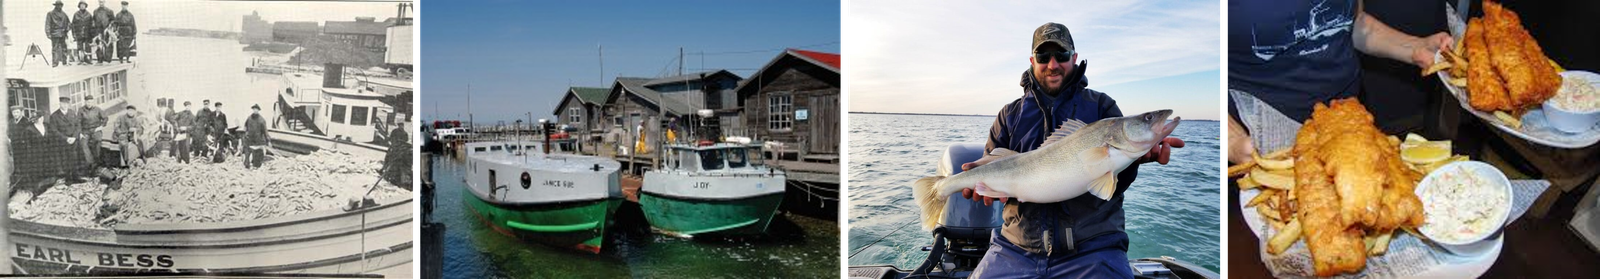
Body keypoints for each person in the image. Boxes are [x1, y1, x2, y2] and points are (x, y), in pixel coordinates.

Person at [957, 23, 1185, 278]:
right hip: (1015, 247)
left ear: (1074, 58)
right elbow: (991, 163)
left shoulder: (1102, 106)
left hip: (1094, 249)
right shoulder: (1009, 115)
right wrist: (982, 186)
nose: (1053, 64)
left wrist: (1134, 161)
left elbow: (1111, 187)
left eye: (1062, 55)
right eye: (1044, 57)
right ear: (1032, 61)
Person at [1222, 0, 1452, 165]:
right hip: (1264, 140)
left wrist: (1414, 47)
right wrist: (1230, 141)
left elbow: (1352, 22)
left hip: (1348, 117)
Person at [46, 97, 84, 183]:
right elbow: (54, 130)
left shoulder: (72, 112)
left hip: (74, 140)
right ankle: (68, 179)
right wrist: (66, 138)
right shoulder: (54, 116)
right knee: (66, 160)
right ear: (59, 104)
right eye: (63, 103)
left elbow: (78, 125)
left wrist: (74, 137)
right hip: (63, 142)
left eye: (66, 103)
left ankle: (76, 177)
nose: (65, 105)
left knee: (75, 158)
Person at [79, 95, 107, 173]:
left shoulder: (97, 109)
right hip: (85, 131)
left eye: (91, 102)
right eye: (88, 102)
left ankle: (98, 161)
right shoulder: (81, 110)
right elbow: (78, 122)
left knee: (98, 141)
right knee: (83, 143)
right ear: (85, 102)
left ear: (93, 102)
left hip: (96, 129)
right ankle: (91, 163)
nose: (89, 103)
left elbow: (105, 118)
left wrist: (101, 127)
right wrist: (80, 133)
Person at [242, 104, 268, 169]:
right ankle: (247, 164)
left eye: (256, 109)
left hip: (258, 140)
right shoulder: (249, 118)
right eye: (254, 109)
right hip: (250, 139)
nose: (255, 111)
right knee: (247, 153)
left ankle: (256, 165)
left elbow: (265, 131)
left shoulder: (262, 120)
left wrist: (267, 140)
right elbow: (245, 126)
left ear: (258, 110)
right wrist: (245, 133)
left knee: (257, 155)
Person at [46, 1, 71, 67]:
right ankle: (55, 63)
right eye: (58, 5)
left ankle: (64, 62)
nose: (59, 6)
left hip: (63, 33)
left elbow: (69, 23)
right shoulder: (50, 14)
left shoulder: (64, 14)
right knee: (55, 48)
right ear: (55, 6)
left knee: (64, 48)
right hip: (55, 33)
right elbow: (47, 24)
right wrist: (48, 33)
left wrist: (67, 29)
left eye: (60, 5)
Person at [70, 0, 92, 65]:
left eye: (84, 5)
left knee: (87, 47)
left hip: (87, 33)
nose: (82, 6)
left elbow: (92, 25)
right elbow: (73, 25)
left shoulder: (89, 14)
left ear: (86, 6)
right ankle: (80, 59)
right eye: (81, 5)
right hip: (79, 33)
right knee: (79, 47)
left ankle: (88, 59)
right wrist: (74, 34)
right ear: (79, 6)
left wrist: (92, 34)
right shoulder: (76, 14)